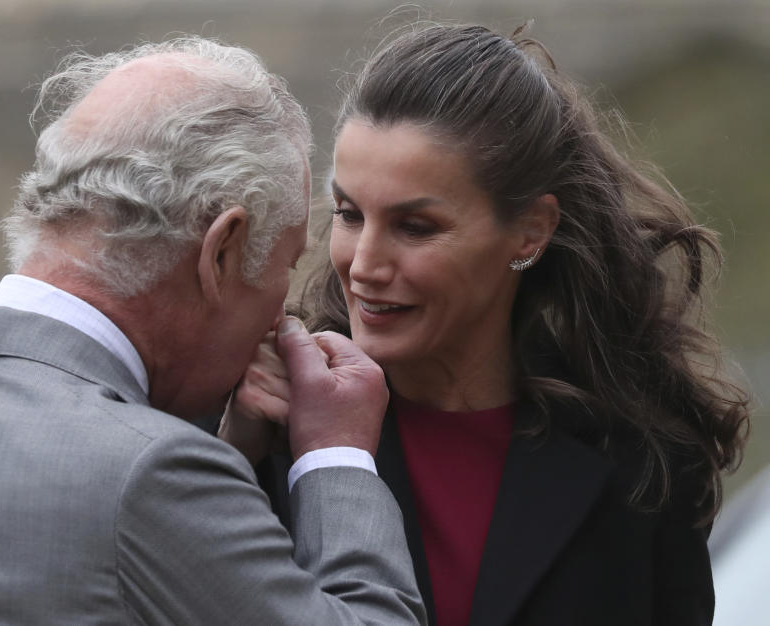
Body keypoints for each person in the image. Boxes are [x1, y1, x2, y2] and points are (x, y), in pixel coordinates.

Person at [0, 38, 427, 625]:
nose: (280, 318)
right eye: (287, 267)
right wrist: (334, 454)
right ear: (222, 252)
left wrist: (233, 450)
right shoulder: (152, 476)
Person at [222, 23, 750, 626]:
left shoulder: (645, 462)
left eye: (416, 227)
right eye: (349, 213)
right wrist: (236, 448)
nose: (363, 264)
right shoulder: (268, 421)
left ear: (530, 230)